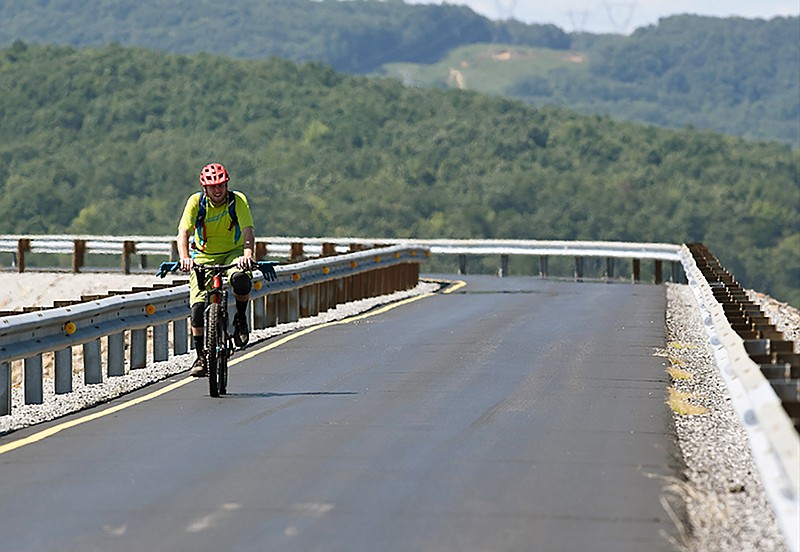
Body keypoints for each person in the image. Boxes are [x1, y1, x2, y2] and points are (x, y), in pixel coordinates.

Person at [177, 162, 256, 377]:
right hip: (203, 256)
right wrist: (185, 258)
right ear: (205, 188)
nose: (218, 190)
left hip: (233, 254)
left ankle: (240, 318)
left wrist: (247, 256)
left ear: (227, 184)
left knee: (241, 279)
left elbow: (248, 231)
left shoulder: (237, 200)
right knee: (197, 308)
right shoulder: (196, 202)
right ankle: (200, 356)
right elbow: (183, 232)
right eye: (213, 187)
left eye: (221, 185)